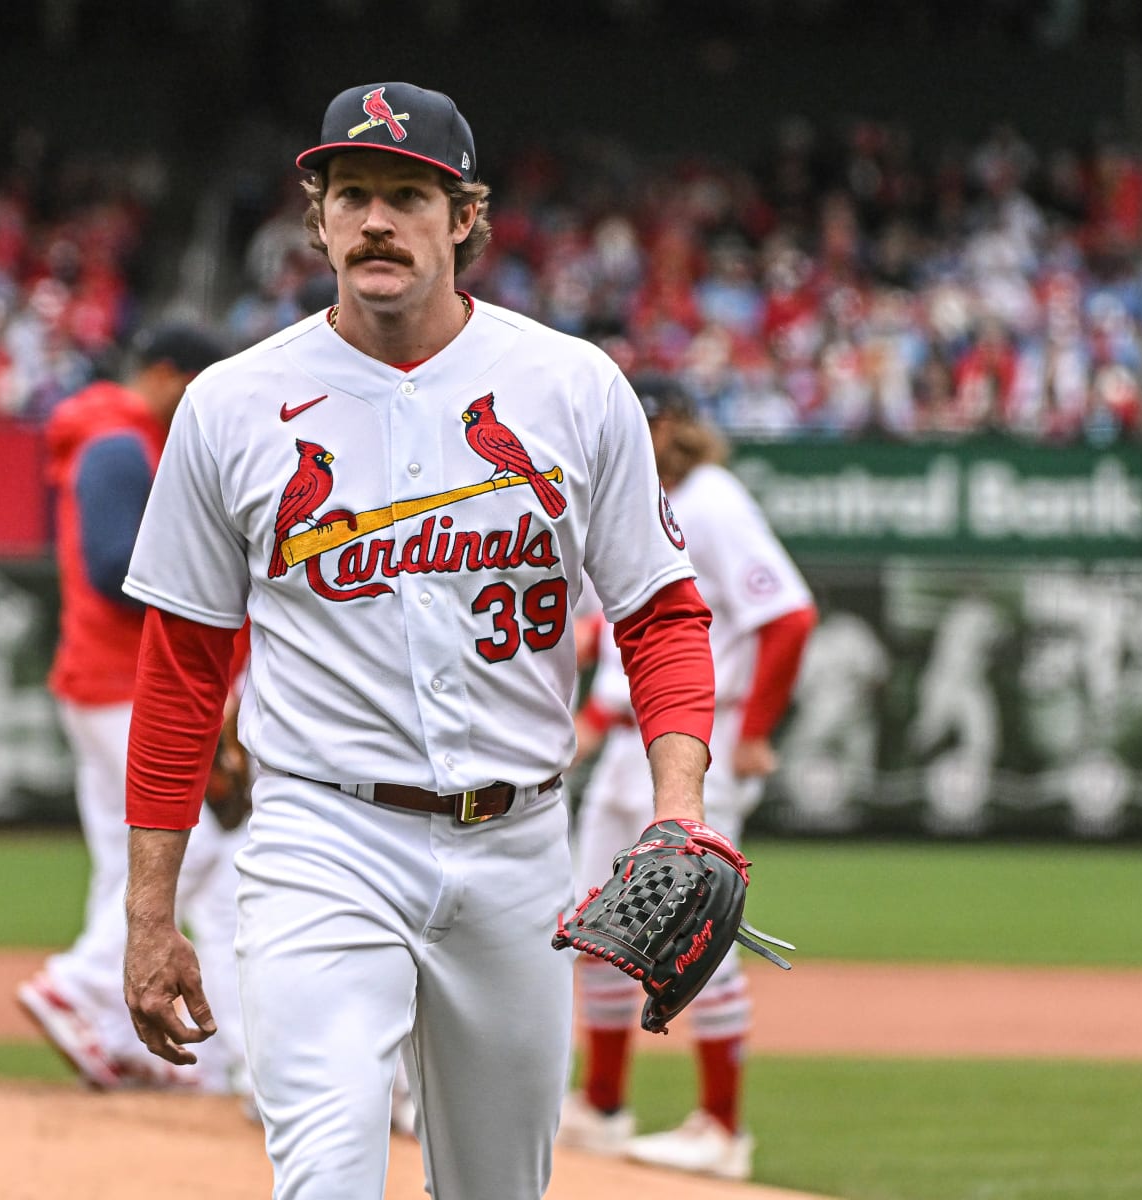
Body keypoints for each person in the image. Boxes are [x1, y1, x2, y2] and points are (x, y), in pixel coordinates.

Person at [117, 82, 725, 1199]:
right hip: (322, 837)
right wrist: (149, 911)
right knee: (328, 1172)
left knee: (499, 1187)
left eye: (409, 195)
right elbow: (180, 672)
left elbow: (660, 615)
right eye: (353, 195)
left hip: (519, 842)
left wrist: (679, 803)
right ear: (319, 218)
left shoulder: (573, 386)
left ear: (465, 219)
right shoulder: (232, 405)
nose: (377, 221)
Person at [560, 376, 816, 1180]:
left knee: (701, 925)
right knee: (593, 924)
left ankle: (722, 1126)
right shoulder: (652, 500)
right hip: (636, 744)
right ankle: (601, 1106)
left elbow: (790, 615)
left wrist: (757, 732)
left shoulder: (710, 498)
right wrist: (597, 723)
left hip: (701, 738)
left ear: (668, 425)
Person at [14, 323, 248, 1093]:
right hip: (119, 680)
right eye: (191, 379)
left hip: (103, 678)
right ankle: (74, 985)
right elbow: (116, 563)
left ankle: (112, 1035)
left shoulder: (120, 437)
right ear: (162, 372)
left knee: (124, 862)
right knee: (201, 847)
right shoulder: (118, 442)